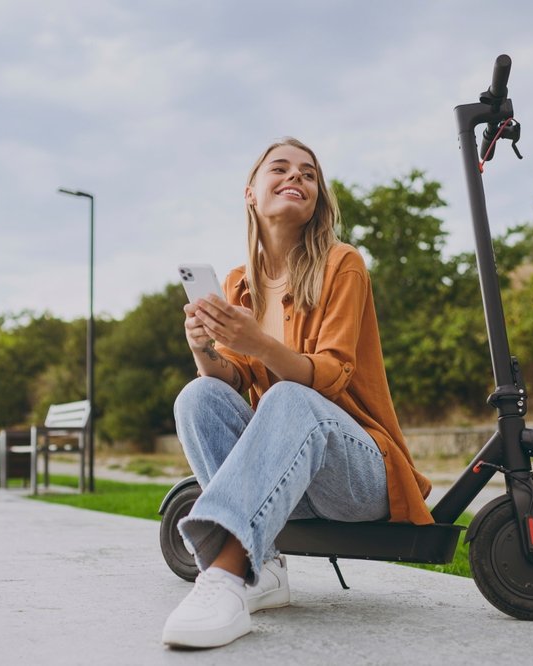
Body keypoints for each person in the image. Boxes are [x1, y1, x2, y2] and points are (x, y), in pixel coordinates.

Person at [162, 137, 434, 649]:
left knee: (288, 397)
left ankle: (224, 576)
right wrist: (204, 349)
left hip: (356, 475)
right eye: (281, 169)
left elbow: (331, 376)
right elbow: (235, 379)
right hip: (288, 476)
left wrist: (258, 342)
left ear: (318, 197)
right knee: (196, 397)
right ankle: (262, 570)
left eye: (308, 174)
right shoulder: (240, 282)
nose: (297, 178)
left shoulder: (342, 263)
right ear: (251, 193)